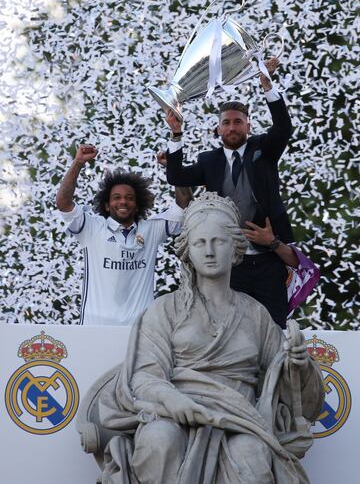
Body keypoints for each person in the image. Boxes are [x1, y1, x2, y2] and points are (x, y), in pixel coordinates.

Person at [93, 193, 324, 483]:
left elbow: (282, 379)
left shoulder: (256, 314)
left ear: (236, 249)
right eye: (200, 243)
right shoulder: (166, 309)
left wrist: (298, 364)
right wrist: (175, 402)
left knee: (251, 453)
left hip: (239, 419)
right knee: (159, 439)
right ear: (188, 249)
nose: (210, 251)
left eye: (219, 241)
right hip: (174, 413)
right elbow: (144, 377)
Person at [160, 57, 299, 328]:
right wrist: (176, 135)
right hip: (229, 264)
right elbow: (176, 176)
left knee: (274, 329)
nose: (232, 127)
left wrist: (267, 86)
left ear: (248, 126)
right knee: (230, 331)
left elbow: (284, 128)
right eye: (227, 122)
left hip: (270, 258)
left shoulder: (264, 149)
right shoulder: (208, 161)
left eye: (238, 122)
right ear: (218, 129)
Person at [56, 143, 192, 325]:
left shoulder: (151, 229)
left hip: (139, 331)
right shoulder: (91, 227)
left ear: (137, 205)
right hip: (95, 328)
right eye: (116, 197)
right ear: (106, 204)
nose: (123, 202)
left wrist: (173, 168)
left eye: (129, 198)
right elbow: (64, 203)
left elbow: (186, 207)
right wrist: (78, 162)